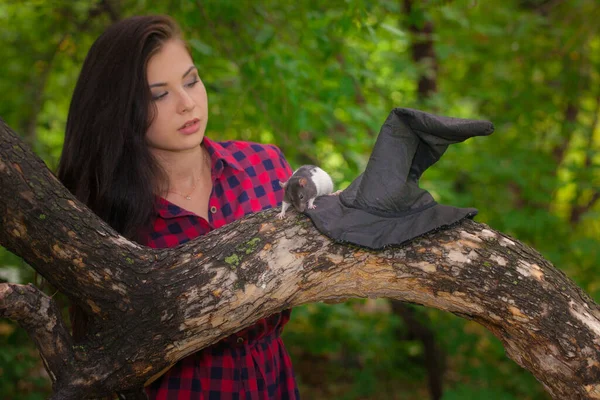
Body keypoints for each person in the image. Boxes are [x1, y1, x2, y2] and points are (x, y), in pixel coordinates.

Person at [57, 14, 300, 399]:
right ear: (123, 109)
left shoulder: (266, 168)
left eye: (191, 80)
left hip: (272, 385)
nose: (187, 104)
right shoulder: (106, 219)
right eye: (159, 94)